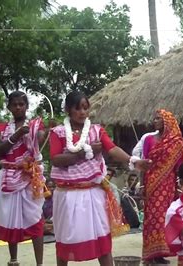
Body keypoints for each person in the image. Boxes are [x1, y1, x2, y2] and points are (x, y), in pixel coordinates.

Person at [49, 91, 151, 266]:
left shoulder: (96, 130)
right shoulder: (58, 132)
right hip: (68, 195)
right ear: (67, 109)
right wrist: (83, 154)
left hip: (93, 193)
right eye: (77, 108)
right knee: (66, 238)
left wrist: (133, 161)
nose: (82, 112)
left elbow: (112, 149)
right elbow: (56, 159)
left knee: (102, 240)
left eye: (85, 108)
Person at [0, 91, 49, 266]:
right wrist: (17, 135)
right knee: (11, 218)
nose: (18, 107)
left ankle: (39, 263)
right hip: (8, 177)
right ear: (9, 107)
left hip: (29, 177)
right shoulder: (3, 128)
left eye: (22, 104)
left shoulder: (35, 125)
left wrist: (44, 131)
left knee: (35, 218)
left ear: (27, 106)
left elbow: (40, 139)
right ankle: (13, 260)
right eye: (15, 104)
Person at [139, 109, 183, 265]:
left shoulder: (175, 142)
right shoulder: (149, 140)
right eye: (154, 119)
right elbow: (144, 163)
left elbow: (180, 165)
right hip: (151, 183)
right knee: (152, 218)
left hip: (168, 185)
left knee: (163, 217)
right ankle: (150, 255)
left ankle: (159, 253)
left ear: (167, 121)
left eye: (159, 119)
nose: (155, 121)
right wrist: (142, 184)